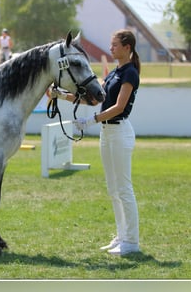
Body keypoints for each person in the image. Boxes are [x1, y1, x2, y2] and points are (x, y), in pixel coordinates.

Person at [54, 29, 141, 256]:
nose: (111, 48)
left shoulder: (130, 73)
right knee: (113, 189)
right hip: (107, 133)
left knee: (124, 189)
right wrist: (61, 95)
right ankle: (121, 236)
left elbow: (119, 107)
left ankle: (131, 242)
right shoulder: (114, 73)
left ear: (127, 48)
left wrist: (90, 121)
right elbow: (93, 99)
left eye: (114, 45)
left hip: (120, 132)